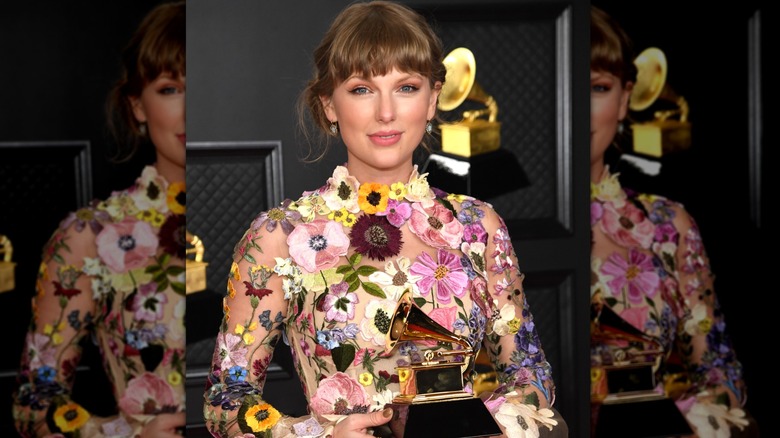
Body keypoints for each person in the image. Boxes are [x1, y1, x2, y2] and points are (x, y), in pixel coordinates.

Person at [202, 1, 565, 437]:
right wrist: (316, 436)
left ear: (432, 99)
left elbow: (529, 370)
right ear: (329, 105)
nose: (386, 113)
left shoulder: (479, 226)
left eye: (406, 87)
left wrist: (499, 424)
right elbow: (226, 399)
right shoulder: (280, 235)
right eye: (361, 89)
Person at [11, 2, 186, 437]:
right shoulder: (91, 235)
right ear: (138, 106)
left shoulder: (278, 231)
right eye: (171, 88)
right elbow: (34, 404)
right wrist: (122, 434)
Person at [589, 5, 757, 437]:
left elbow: (719, 374)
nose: (578, 109)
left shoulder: (669, 225)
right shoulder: (482, 227)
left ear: (625, 98)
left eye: (597, 88)